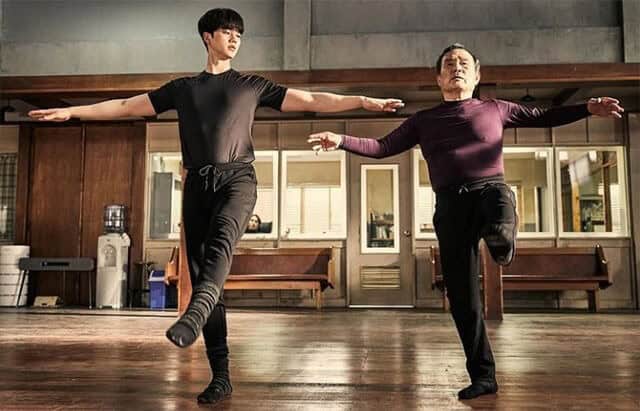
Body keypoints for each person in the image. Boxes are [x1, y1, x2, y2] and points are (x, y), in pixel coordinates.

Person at [28, 8, 404, 405]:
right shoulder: (182, 88)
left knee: (221, 244)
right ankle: (220, 375)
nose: (235, 38)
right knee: (205, 273)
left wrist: (364, 101)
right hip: (196, 186)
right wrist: (72, 111)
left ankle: (195, 312)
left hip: (237, 179)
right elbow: (124, 107)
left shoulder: (251, 85)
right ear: (208, 37)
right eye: (227, 31)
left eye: (239, 33)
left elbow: (312, 99)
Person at [308, 43, 623, 400]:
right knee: (463, 299)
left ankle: (502, 239)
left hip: (489, 192)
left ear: (476, 75)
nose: (456, 67)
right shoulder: (423, 121)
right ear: (439, 78)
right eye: (449, 63)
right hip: (449, 208)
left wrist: (587, 108)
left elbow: (542, 116)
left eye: (463, 63)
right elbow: (382, 147)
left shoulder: (495, 108)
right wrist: (340, 139)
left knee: (499, 200)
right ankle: (484, 377)